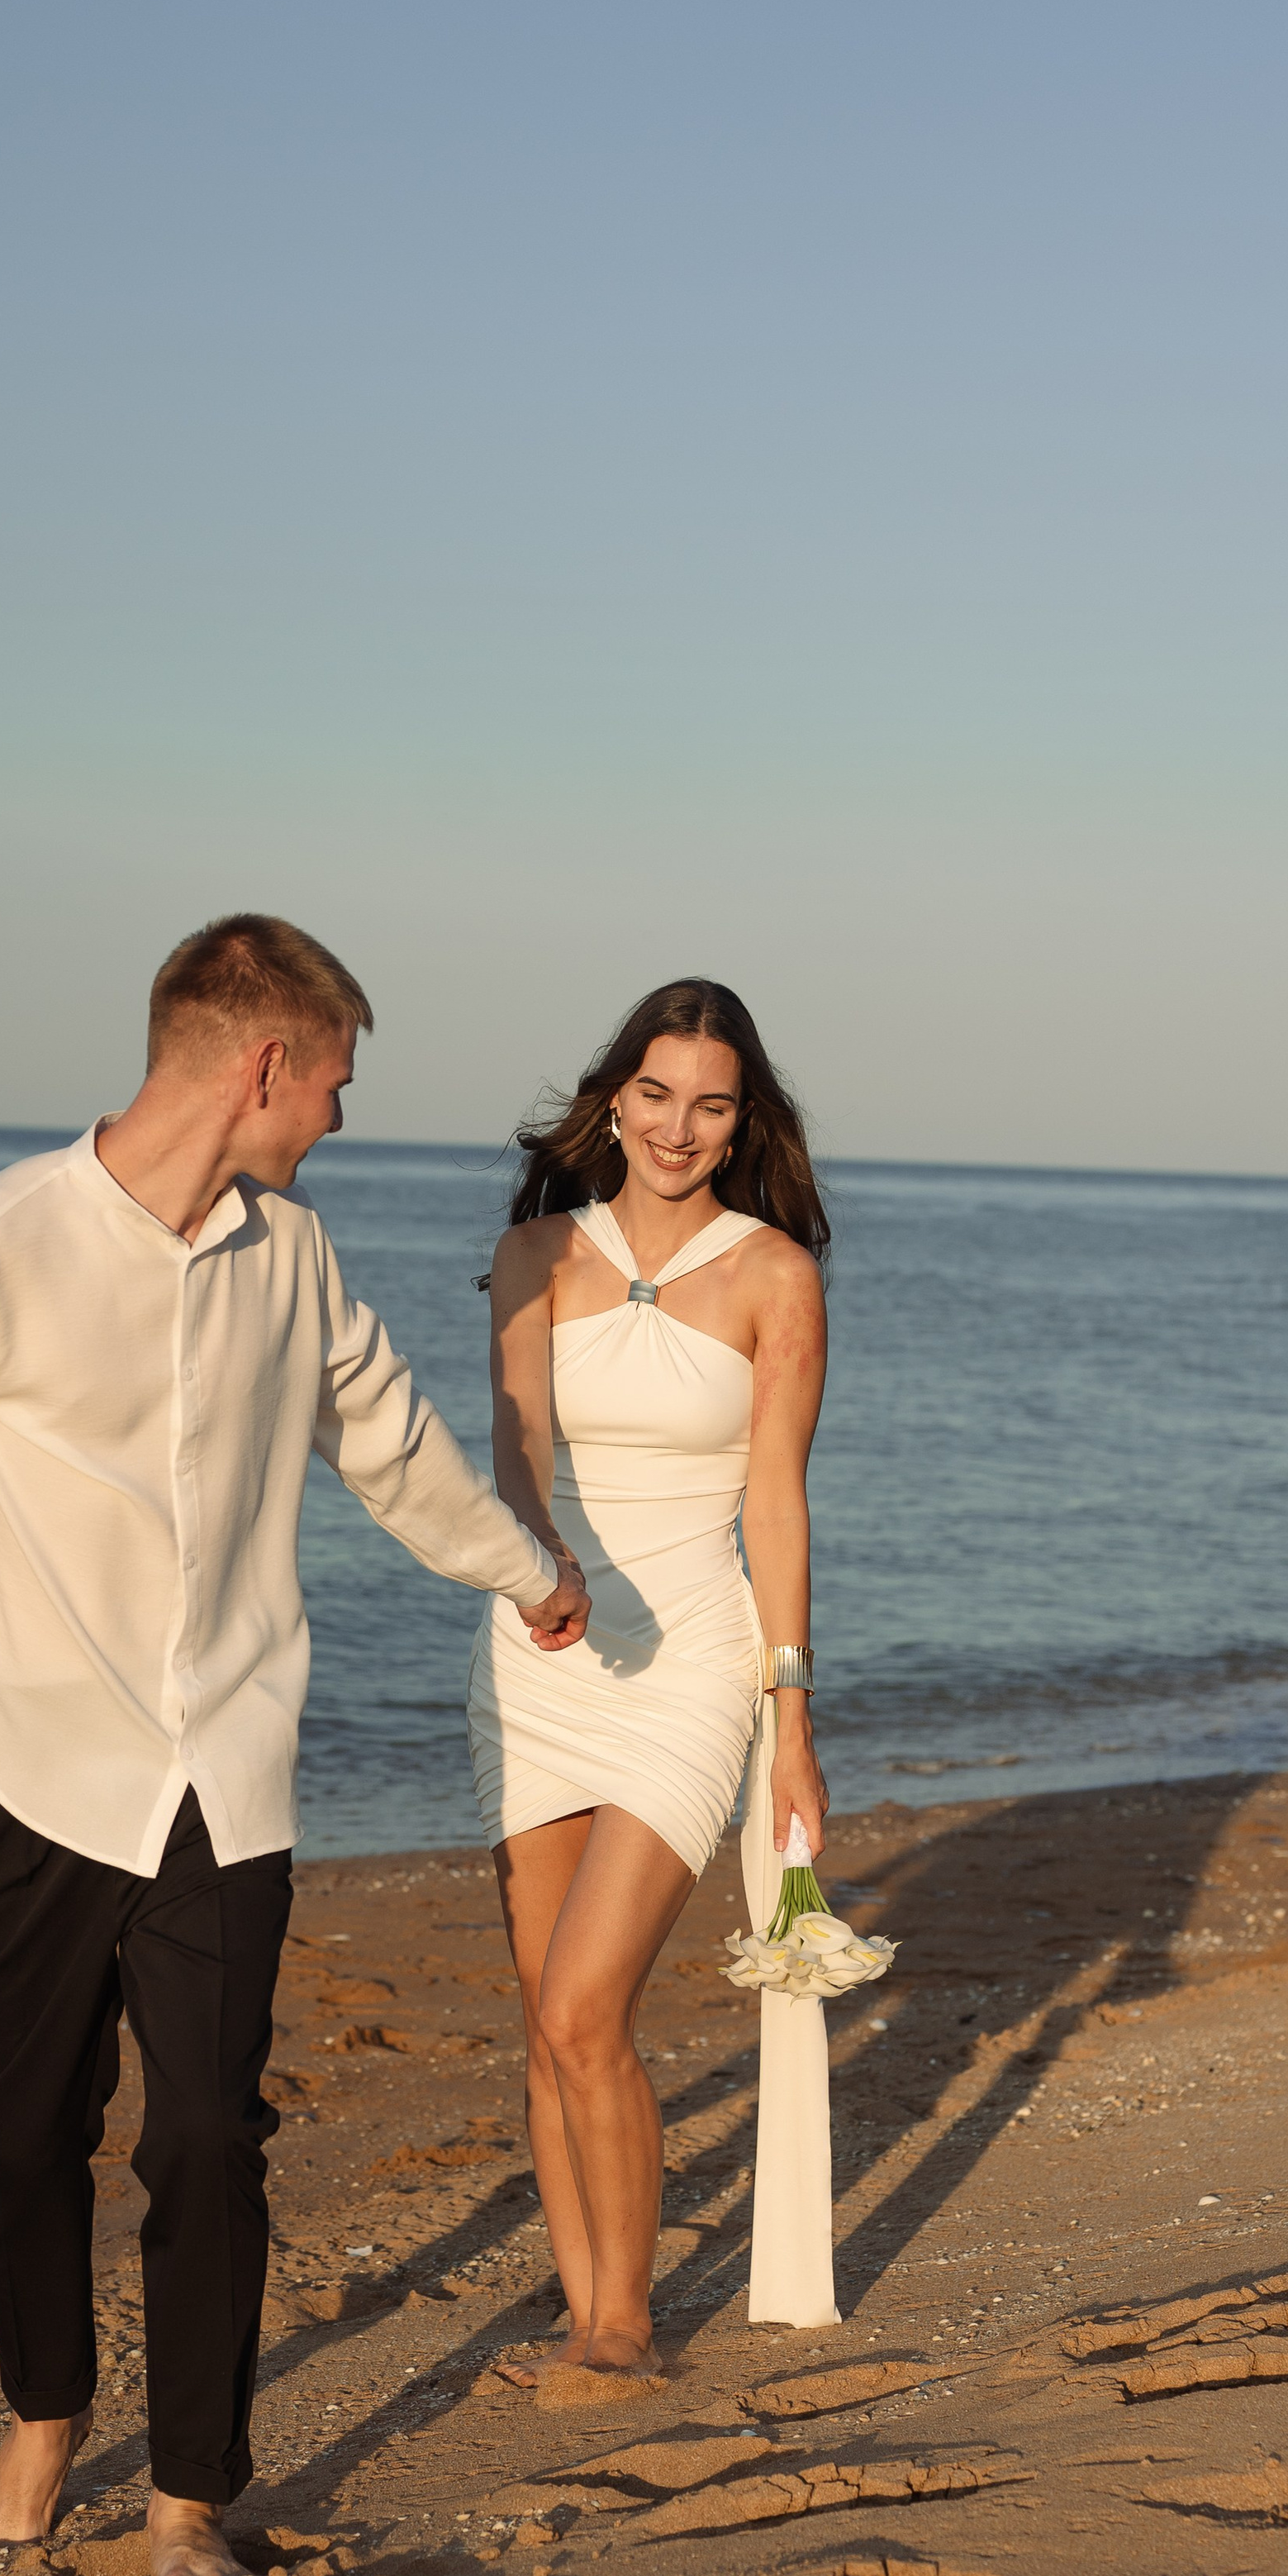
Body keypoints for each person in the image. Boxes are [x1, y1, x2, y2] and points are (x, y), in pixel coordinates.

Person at [0, 916, 588, 2576]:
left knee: (205, 2134)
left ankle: (191, 2492)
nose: (336, 1114)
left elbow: (390, 1448)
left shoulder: (293, 1256)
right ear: (260, 1066)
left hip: (223, 1767)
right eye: (332, 1080)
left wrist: (530, 1573)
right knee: (28, 2126)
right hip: (22, 1759)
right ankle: (41, 2418)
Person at [468, 978, 833, 2382]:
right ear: (614, 1096)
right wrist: (535, 1563)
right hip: (535, 1651)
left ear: (746, 1121)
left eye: (713, 1103)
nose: (681, 1127)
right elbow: (514, 1459)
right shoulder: (534, 1254)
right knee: (544, 2020)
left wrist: (791, 1720)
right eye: (659, 1094)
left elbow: (780, 1506)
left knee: (583, 2009)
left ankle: (625, 2328)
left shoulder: (774, 1276)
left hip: (692, 1661)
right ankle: (588, 2306)